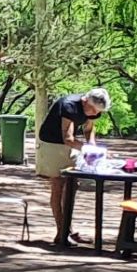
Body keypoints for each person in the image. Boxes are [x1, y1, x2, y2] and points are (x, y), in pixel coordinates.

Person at [37, 86, 111, 247]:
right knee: (58, 185)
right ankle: (61, 233)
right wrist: (88, 150)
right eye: (92, 110)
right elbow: (68, 138)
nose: (94, 114)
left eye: (98, 112)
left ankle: (68, 229)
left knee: (72, 185)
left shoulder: (93, 109)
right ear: (85, 101)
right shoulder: (69, 105)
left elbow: (89, 129)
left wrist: (93, 146)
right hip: (52, 143)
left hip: (70, 147)